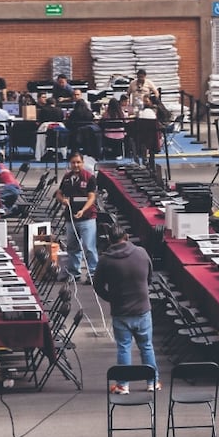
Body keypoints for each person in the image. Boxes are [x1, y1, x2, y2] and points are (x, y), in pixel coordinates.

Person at [93, 224, 160, 395]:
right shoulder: (141, 253)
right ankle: (152, 382)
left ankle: (123, 385)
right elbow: (150, 277)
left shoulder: (105, 260)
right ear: (127, 237)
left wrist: (111, 298)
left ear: (109, 240)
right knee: (146, 346)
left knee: (124, 347)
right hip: (143, 309)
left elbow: (98, 286)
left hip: (120, 311)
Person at [55, 152, 99, 282]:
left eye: (78, 162)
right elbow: (59, 193)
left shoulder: (89, 177)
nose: (76, 165)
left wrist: (83, 210)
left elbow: (92, 197)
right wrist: (62, 200)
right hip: (70, 219)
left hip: (87, 218)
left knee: (89, 247)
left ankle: (93, 274)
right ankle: (74, 273)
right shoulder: (67, 178)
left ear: (82, 163)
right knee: (73, 247)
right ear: (70, 163)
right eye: (73, 162)